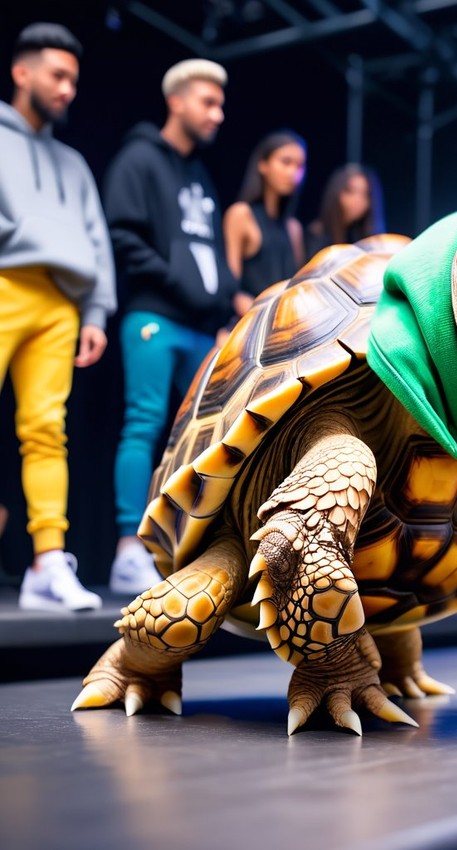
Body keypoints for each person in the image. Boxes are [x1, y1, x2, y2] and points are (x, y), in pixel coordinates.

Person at [104, 58, 237, 594]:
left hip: (200, 328)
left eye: (221, 104)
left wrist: (221, 295)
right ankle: (126, 550)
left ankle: (193, 551)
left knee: (206, 440)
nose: (218, 114)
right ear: (177, 101)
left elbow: (206, 251)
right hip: (154, 317)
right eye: (208, 102)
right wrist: (178, 285)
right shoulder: (138, 159)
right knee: (144, 423)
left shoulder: (199, 176)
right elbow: (125, 237)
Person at [1, 23, 116, 611]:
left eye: (74, 78)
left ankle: (47, 564)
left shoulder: (73, 163)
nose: (68, 88)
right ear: (22, 72)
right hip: (4, 280)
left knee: (46, 432)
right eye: (57, 74)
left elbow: (97, 239)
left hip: (61, 304)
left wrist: (96, 309)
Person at [223, 130, 307, 321]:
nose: (294, 172)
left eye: (300, 166)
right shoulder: (241, 214)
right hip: (247, 324)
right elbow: (230, 290)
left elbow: (296, 289)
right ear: (263, 165)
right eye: (286, 162)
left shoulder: (294, 228)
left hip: (285, 327)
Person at [306, 163, 385, 259]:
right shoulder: (317, 237)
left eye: (365, 194)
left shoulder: (364, 238)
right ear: (336, 192)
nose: (358, 200)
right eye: (350, 191)